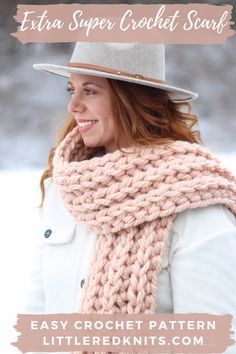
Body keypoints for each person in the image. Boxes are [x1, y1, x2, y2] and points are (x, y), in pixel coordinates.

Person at [26, 42, 236, 354]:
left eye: (91, 91)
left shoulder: (195, 200)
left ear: (131, 99)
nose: (73, 105)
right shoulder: (67, 188)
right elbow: (38, 319)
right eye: (71, 89)